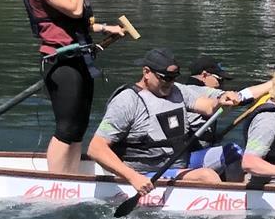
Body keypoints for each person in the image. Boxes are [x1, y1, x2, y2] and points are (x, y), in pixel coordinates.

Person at [20, 0, 129, 175]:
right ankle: (58, 181)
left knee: (79, 126)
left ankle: (72, 176)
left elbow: (79, 20)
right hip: (60, 59)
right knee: (66, 127)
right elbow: (74, 9)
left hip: (80, 55)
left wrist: (105, 28)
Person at [85, 47, 229, 195]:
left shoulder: (177, 90)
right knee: (206, 176)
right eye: (165, 77)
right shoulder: (127, 101)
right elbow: (96, 148)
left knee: (232, 152)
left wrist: (221, 101)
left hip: (179, 163)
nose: (170, 82)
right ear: (147, 72)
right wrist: (133, 177)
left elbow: (208, 107)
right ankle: (225, 203)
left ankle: (237, 197)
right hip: (146, 174)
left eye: (174, 77)